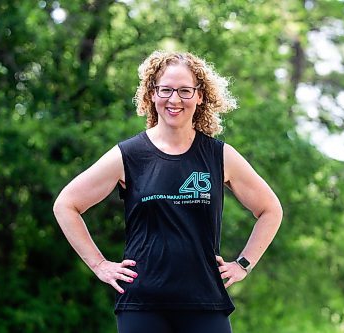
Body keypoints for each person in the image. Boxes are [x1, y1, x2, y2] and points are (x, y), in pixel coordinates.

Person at [53, 50, 283, 333]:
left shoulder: (220, 156)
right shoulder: (129, 155)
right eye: (166, 90)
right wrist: (99, 264)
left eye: (185, 91)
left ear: (200, 96)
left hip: (205, 303)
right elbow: (66, 204)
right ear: (151, 94)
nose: (175, 100)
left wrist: (243, 264)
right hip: (142, 305)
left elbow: (270, 210)